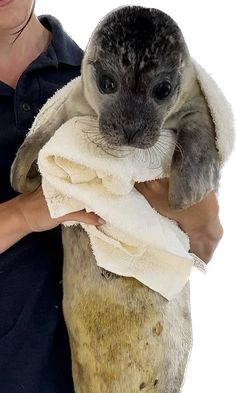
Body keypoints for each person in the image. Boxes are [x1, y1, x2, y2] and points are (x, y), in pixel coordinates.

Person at [0, 0, 223, 392]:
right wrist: (26, 213)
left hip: (124, 367)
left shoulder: (102, 73)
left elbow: (203, 242)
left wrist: (186, 205)